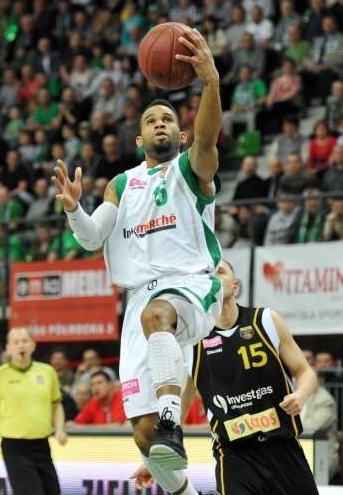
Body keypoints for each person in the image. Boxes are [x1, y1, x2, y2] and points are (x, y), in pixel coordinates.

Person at [53, 28, 223, 492]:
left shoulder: (190, 168)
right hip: (139, 305)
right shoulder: (122, 185)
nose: (161, 124)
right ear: (139, 136)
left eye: (168, 118)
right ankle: (180, 482)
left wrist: (210, 83)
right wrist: (74, 209)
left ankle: (174, 419)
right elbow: (92, 238)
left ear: (181, 132)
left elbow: (208, 141)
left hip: (190, 283)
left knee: (159, 314)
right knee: (145, 437)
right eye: (152, 120)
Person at [130, 260, 319, 494]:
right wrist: (159, 462)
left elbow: (305, 371)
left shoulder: (266, 320)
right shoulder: (192, 341)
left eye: (221, 271)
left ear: (235, 286)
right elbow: (182, 403)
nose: (214, 277)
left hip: (284, 447)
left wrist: (301, 394)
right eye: (208, 274)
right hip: (234, 456)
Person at [0, 327, 67, 495]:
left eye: (24, 341)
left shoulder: (47, 371)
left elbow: (56, 404)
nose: (21, 345)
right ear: (8, 348)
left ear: (33, 345)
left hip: (42, 445)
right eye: (15, 342)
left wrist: (59, 429)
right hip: (14, 447)